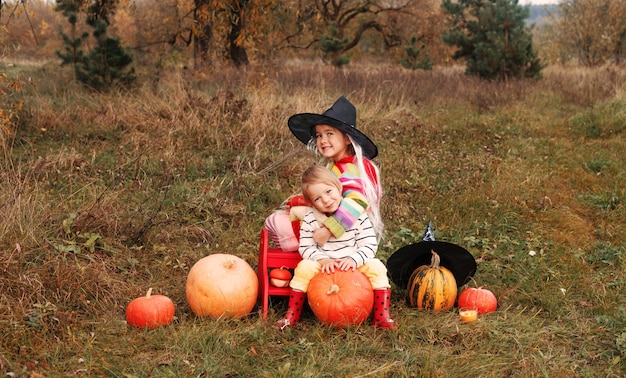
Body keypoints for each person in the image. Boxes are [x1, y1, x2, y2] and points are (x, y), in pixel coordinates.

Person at [276, 165, 395, 330]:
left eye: (328, 191)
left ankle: (382, 315)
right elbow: (306, 247)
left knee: (376, 267)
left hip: (354, 265)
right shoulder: (311, 217)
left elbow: (369, 244)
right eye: (317, 198)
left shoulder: (356, 214)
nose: (325, 200)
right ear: (311, 203)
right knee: (304, 267)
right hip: (324, 267)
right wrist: (322, 260)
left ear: (339, 188)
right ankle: (292, 314)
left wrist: (354, 259)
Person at [264, 95, 383, 251]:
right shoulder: (337, 166)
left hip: (347, 231)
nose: (323, 140)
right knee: (287, 214)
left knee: (276, 221)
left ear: (347, 139)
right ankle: (300, 252)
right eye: (319, 135)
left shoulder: (352, 167)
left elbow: (355, 202)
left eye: (329, 133)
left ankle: (301, 251)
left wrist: (328, 230)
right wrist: (303, 200)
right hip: (339, 225)